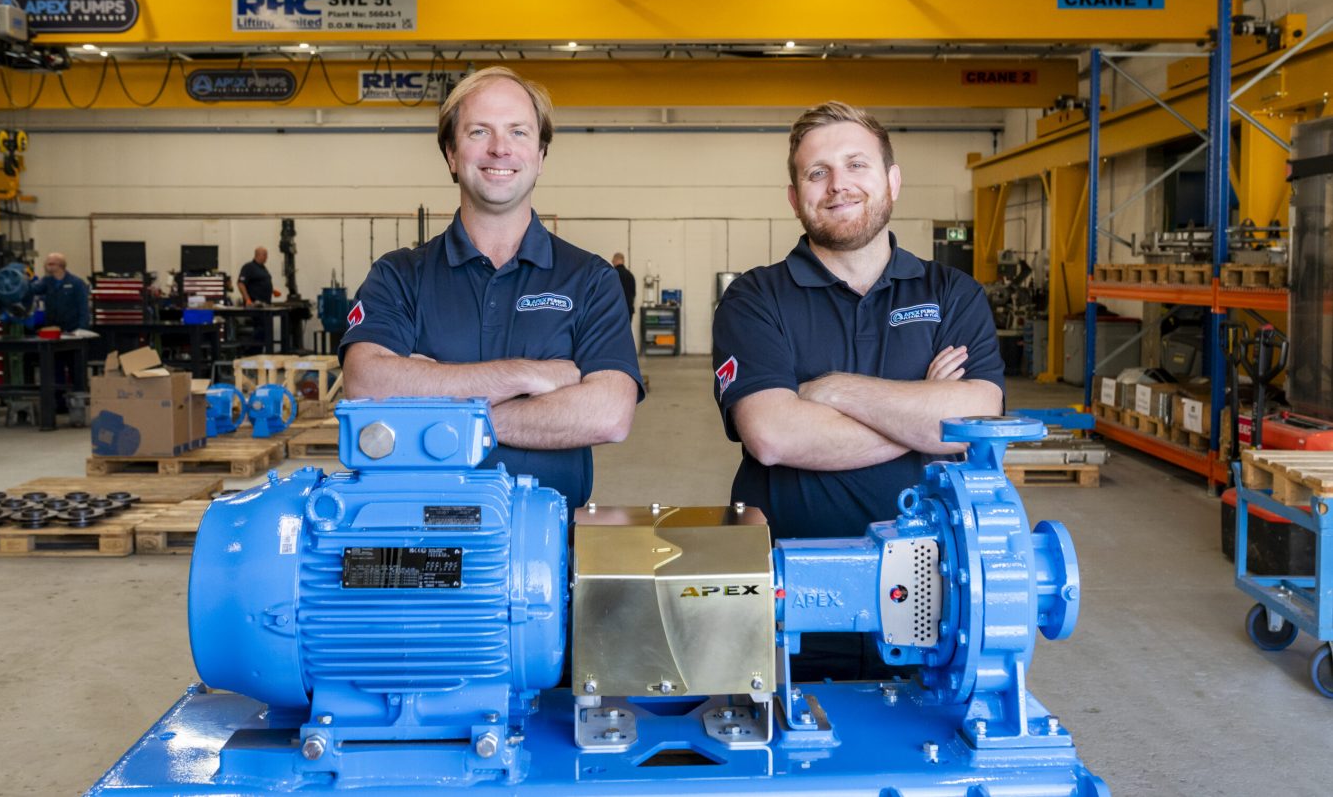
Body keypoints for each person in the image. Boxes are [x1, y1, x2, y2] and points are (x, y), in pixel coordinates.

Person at [711, 100, 1004, 681]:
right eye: (817, 173)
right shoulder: (755, 298)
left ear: (892, 180)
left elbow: (975, 418)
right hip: (790, 598)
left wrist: (833, 390)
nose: (838, 185)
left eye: (857, 165)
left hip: (937, 592)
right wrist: (919, 409)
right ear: (795, 197)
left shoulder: (953, 293)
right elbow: (772, 434)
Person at [341, 66, 642, 511]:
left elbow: (610, 413)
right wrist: (530, 376)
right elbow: (365, 382)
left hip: (548, 544)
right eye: (479, 131)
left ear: (540, 154)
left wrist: (442, 414)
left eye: (518, 132)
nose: (500, 148)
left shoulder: (591, 279)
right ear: (450, 153)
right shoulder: (398, 276)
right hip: (414, 540)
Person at [29, 252, 88, 332]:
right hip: (52, 329)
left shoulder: (76, 283)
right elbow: (32, 289)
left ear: (60, 265)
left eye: (50, 264)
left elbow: (83, 307)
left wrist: (82, 329)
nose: (46, 267)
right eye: (46, 264)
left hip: (72, 329)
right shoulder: (46, 281)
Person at [612, 252, 637, 321]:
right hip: (628, 310)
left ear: (615, 260)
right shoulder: (630, 275)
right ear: (623, 261)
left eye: (613, 261)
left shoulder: (612, 274)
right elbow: (633, 294)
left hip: (615, 310)